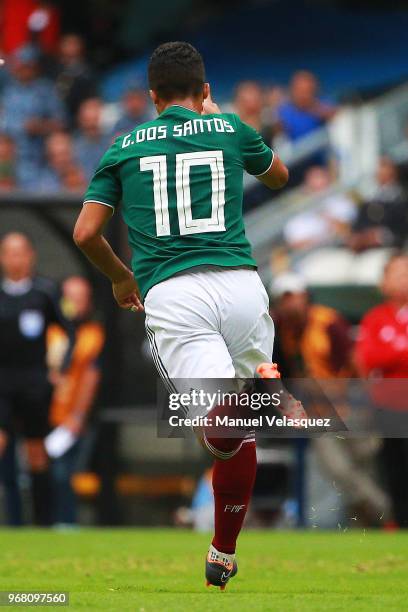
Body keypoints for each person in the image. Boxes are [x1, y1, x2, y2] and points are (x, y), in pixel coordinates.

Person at [73, 41, 289, 589]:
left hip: (174, 295)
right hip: (242, 286)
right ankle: (222, 553)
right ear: (205, 90)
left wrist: (121, 277)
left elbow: (84, 233)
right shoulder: (232, 128)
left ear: (151, 97)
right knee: (240, 433)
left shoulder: (123, 146)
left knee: (218, 435)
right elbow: (280, 178)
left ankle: (251, 402)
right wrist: (219, 119)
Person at [271, 272, 391, 525]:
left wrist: (366, 398)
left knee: (365, 462)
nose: (290, 303)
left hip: (347, 402)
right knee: (338, 470)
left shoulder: (326, 320)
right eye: (285, 299)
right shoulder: (281, 330)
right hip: (317, 411)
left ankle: (366, 523)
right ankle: (386, 511)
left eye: (294, 297)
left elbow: (354, 360)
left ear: (305, 297)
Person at [0, 232, 73, 525]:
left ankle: (43, 523)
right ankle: (12, 520)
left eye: (21, 252)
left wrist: (61, 369)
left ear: (31, 256)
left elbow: (71, 329)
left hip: (34, 382)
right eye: (9, 252)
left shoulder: (45, 291)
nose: (15, 258)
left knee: (35, 452)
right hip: (2, 381)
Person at [355, 254, 408, 526]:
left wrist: (394, 353)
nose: (403, 278)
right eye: (397, 273)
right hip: (388, 408)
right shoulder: (376, 318)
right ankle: (398, 523)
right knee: (393, 469)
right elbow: (368, 358)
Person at [47, 276, 105, 526]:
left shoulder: (94, 335)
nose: (75, 303)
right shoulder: (52, 332)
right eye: (70, 297)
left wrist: (78, 415)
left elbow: (92, 378)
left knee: (67, 474)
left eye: (80, 298)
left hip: (76, 420)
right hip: (48, 413)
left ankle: (66, 522)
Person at [0, 44, 65, 189]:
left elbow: (61, 123)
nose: (23, 69)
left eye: (27, 66)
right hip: (10, 156)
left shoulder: (45, 90)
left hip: (40, 157)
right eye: (20, 65)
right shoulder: (8, 91)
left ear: (35, 67)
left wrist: (41, 126)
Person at [349, 158, 408, 252]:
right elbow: (357, 227)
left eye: (384, 168)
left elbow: (400, 231)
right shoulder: (369, 199)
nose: (379, 172)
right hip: (362, 249)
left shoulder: (401, 200)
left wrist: (380, 236)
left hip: (388, 250)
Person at [54, 34, 98, 128]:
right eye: (68, 43)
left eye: (74, 44)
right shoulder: (53, 68)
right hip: (53, 117)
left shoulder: (86, 72)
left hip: (75, 120)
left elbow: (90, 99)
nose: (71, 47)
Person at [73, 98, 111, 182]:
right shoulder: (73, 147)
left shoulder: (112, 143)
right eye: (88, 121)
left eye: (95, 120)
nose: (92, 125)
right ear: (80, 120)